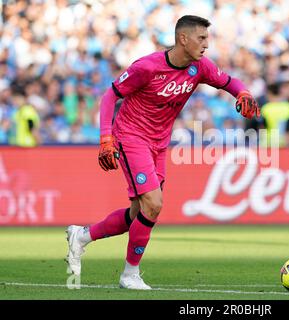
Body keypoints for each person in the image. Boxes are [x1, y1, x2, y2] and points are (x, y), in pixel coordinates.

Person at [65, 15, 259, 290]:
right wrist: (106, 138)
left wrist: (243, 92)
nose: (206, 44)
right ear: (183, 39)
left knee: (139, 212)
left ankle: (82, 236)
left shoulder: (200, 67)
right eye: (201, 38)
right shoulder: (147, 67)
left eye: (207, 38)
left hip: (159, 143)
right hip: (131, 137)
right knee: (154, 204)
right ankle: (130, 275)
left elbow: (228, 81)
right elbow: (110, 95)